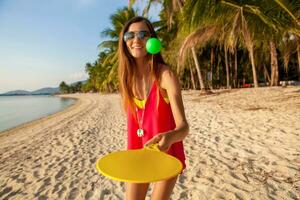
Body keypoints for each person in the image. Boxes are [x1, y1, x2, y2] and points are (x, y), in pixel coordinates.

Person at [118, 16, 189, 200]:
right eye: (130, 35)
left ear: (152, 40)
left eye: (143, 34)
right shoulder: (127, 80)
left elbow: (184, 127)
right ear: (124, 41)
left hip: (166, 155)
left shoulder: (165, 75)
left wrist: (170, 136)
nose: (136, 40)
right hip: (138, 154)